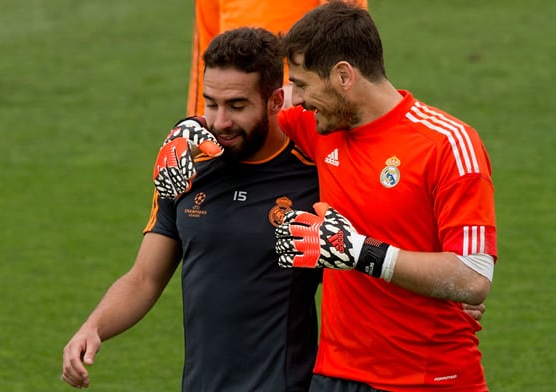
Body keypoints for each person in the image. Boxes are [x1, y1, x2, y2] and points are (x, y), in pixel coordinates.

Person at [62, 27, 322, 391]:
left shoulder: (314, 177)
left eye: (237, 105)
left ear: (276, 101)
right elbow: (144, 278)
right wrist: (93, 327)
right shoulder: (187, 167)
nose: (220, 122)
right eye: (211, 103)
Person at [273, 1, 498, 391]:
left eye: (303, 84)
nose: (296, 98)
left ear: (344, 76)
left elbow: (473, 277)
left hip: (429, 380)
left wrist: (361, 252)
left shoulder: (447, 144)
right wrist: (189, 131)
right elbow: (239, 115)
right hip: (335, 376)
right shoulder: (321, 126)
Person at [187, 0, 368, 116]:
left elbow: (344, 32)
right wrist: (199, 120)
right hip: (237, 109)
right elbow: (207, 51)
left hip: (302, 105)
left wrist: (299, 90)